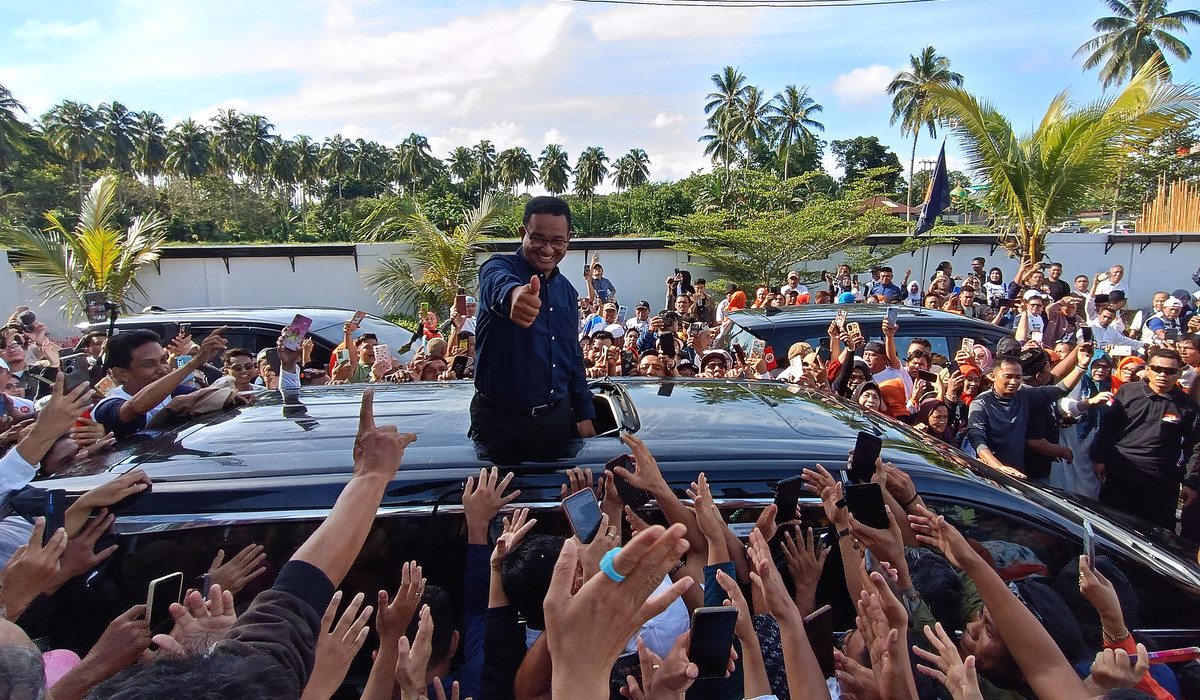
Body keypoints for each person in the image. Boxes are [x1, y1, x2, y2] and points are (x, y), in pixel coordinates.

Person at [472, 197, 596, 444]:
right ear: (523, 233)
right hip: (500, 425)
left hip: (557, 421)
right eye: (538, 238)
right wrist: (513, 295)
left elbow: (572, 356)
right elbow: (495, 283)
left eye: (557, 240)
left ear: (568, 239)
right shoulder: (498, 267)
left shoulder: (568, 292)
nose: (548, 249)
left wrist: (584, 414)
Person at [1094, 348, 1200, 530]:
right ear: (1148, 369)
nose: (1162, 375)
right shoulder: (1127, 392)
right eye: (1157, 369)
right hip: (1121, 476)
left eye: (1170, 371)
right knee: (1113, 531)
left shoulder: (1188, 405)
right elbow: (1106, 428)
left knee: (1157, 538)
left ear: (1179, 373)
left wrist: (1191, 482)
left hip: (1161, 483)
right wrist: (1100, 458)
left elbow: (1195, 445)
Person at [966, 349, 1090, 479]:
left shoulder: (1024, 395)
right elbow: (977, 438)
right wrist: (998, 467)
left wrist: (1081, 366)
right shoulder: (981, 403)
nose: (1014, 382)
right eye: (1008, 376)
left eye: (1018, 377)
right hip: (989, 475)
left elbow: (1059, 390)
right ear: (993, 376)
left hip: (1018, 475)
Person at [93, 328, 231, 440]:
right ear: (121, 374)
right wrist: (194, 363)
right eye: (149, 364)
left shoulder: (176, 392)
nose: (162, 369)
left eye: (163, 360)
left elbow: (204, 397)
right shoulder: (108, 407)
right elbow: (134, 408)